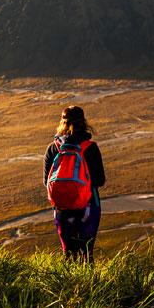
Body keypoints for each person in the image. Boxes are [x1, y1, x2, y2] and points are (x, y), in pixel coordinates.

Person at [43, 105, 106, 263]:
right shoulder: (90, 148)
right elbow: (100, 180)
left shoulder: (53, 148)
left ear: (62, 123)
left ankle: (66, 284)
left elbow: (47, 182)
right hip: (88, 207)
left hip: (62, 209)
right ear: (84, 122)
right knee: (87, 253)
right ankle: (89, 285)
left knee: (68, 253)